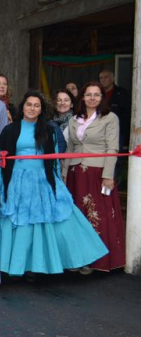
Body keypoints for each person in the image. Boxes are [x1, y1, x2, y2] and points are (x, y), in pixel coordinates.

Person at [0, 91, 107, 279]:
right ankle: (19, 265)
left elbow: (54, 159)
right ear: (23, 107)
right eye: (29, 104)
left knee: (60, 216)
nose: (32, 108)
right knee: (20, 222)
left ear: (41, 109)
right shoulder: (10, 130)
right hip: (17, 181)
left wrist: (57, 182)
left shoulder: (49, 129)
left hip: (42, 179)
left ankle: (56, 262)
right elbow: (1, 159)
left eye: (36, 105)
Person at [63, 82, 125, 273]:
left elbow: (112, 147)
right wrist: (64, 174)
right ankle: (77, 259)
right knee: (77, 216)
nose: (92, 98)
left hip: (97, 173)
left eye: (96, 95)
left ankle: (95, 260)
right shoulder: (74, 119)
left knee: (96, 215)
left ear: (102, 98)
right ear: (82, 97)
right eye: (88, 94)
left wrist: (108, 175)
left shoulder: (109, 118)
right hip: (75, 173)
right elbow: (70, 148)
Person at [98, 69, 132, 152]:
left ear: (113, 79)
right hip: (99, 130)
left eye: (106, 77)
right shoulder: (97, 93)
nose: (103, 79)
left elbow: (126, 113)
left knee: (115, 155)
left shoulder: (121, 93)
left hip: (117, 130)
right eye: (101, 78)